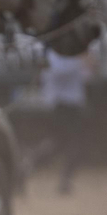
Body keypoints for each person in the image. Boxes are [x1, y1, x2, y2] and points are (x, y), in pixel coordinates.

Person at [40, 45, 91, 195]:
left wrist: (88, 64)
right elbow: (57, 72)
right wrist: (79, 60)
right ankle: (29, 165)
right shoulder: (55, 52)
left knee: (71, 143)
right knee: (61, 142)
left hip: (74, 105)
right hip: (61, 105)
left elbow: (86, 76)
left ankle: (65, 180)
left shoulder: (73, 53)